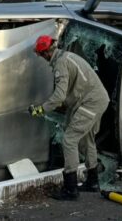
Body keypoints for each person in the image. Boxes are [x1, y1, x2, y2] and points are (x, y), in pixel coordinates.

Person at [28, 35, 110, 201]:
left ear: (45, 54)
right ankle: (93, 182)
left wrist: (39, 110)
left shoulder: (60, 64)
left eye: (40, 55)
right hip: (94, 100)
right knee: (87, 141)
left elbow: (59, 97)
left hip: (91, 103)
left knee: (69, 140)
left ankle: (70, 189)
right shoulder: (67, 57)